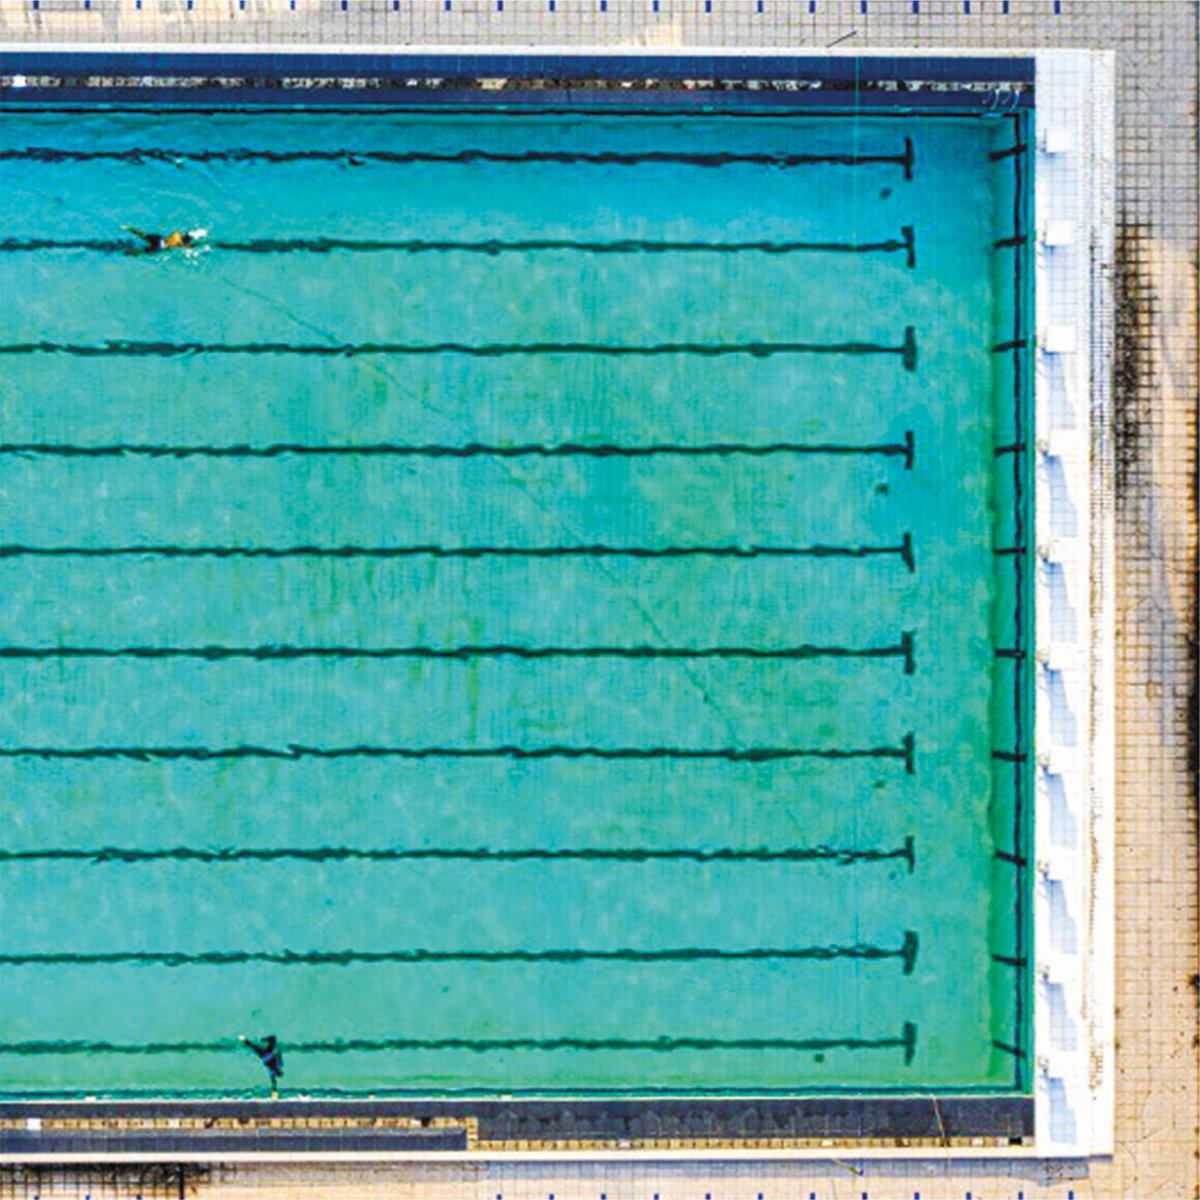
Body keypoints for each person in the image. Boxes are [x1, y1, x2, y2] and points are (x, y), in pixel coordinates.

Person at [239, 1034, 284, 1098]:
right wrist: (279, 1052)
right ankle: (256, 1040)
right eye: (279, 1072)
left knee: (255, 1048)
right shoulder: (279, 1066)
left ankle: (245, 1040)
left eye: (278, 1072)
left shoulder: (273, 1071)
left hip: (265, 1056)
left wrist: (274, 1092)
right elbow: (279, 1057)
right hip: (269, 1055)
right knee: (271, 1040)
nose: (277, 1071)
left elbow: (274, 1083)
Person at [122, 226, 203, 252]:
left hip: (159, 244)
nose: (169, 236)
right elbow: (142, 235)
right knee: (143, 245)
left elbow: (186, 245)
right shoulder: (157, 240)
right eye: (170, 236)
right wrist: (130, 229)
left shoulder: (178, 243)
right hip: (157, 243)